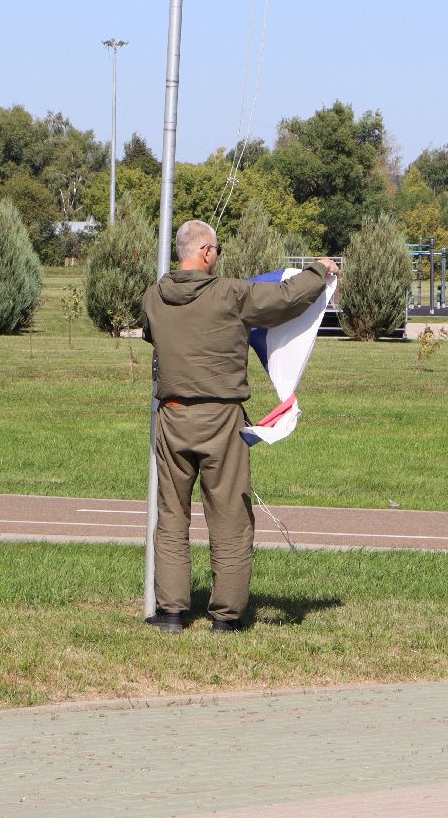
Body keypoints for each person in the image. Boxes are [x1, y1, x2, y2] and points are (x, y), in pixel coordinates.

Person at [140, 219, 338, 633]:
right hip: (221, 419)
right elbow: (284, 300)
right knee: (229, 516)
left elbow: (150, 333)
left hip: (171, 417)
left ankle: (172, 612)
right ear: (206, 252)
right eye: (217, 250)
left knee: (171, 515)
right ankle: (226, 617)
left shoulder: (153, 296)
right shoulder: (230, 293)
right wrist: (320, 271)